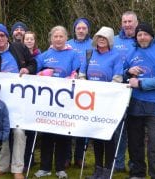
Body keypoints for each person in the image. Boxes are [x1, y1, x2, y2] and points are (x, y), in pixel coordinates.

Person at [0, 23, 37, 179]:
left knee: (19, 132)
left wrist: (28, 69)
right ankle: (2, 166)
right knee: (1, 134)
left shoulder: (20, 48)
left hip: (20, 101)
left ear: (7, 36)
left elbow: (34, 63)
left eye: (2, 35)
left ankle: (17, 169)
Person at [125, 22, 155, 179]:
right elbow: (121, 71)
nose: (142, 37)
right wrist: (128, 71)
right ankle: (137, 174)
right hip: (134, 104)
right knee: (134, 143)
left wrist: (140, 83)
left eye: (145, 34)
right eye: (139, 35)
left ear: (152, 36)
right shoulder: (132, 52)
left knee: (154, 145)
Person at [34, 25, 79, 179]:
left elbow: (77, 73)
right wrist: (42, 73)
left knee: (62, 135)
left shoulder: (73, 54)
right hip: (47, 101)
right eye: (55, 36)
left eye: (61, 36)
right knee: (46, 135)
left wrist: (71, 77)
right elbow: (35, 75)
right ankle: (45, 167)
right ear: (51, 38)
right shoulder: (44, 55)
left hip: (65, 101)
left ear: (66, 38)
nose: (58, 39)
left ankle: (60, 168)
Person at [79, 26, 123, 179]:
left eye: (104, 38)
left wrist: (106, 91)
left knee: (108, 135)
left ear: (110, 40)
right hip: (91, 101)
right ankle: (97, 169)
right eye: (99, 37)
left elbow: (118, 78)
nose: (101, 40)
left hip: (108, 102)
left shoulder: (116, 56)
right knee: (95, 135)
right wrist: (86, 86)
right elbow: (82, 74)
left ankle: (107, 169)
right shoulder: (89, 53)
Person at [113, 10, 138, 173]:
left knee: (135, 131)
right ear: (121, 23)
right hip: (117, 92)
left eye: (130, 21)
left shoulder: (143, 39)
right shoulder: (113, 40)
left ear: (136, 23)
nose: (127, 24)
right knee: (118, 130)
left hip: (138, 92)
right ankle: (118, 163)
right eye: (125, 22)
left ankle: (135, 165)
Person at [66, 17, 93, 168]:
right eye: (78, 28)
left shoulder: (94, 45)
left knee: (83, 122)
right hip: (69, 88)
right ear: (74, 30)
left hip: (87, 88)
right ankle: (66, 157)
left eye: (84, 28)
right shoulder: (68, 44)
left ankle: (79, 157)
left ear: (88, 30)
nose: (81, 30)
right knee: (68, 122)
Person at [22, 31, 41, 171]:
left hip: (36, 97)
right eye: (26, 39)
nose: (29, 41)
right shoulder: (19, 55)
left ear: (35, 41)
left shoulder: (41, 55)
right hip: (22, 96)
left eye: (31, 39)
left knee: (32, 130)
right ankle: (21, 159)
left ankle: (31, 159)